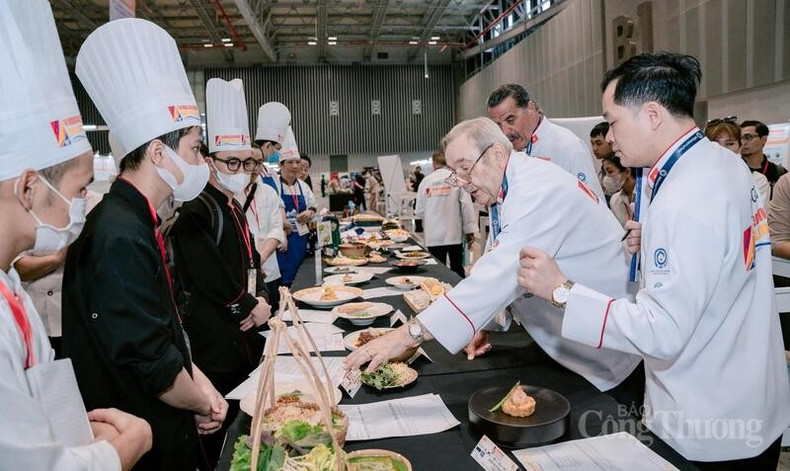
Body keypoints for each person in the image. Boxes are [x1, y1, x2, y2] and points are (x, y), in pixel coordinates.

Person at [517, 52, 790, 470]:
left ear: (652, 114)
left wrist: (562, 291)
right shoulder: (723, 163)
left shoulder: (683, 197)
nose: (609, 137)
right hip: (751, 396)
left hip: (709, 419)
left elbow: (661, 330)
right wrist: (663, 243)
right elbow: (730, 252)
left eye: (613, 121)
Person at [344, 117, 642, 404]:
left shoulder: (537, 190)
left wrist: (407, 336)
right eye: (454, 172)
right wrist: (483, 320)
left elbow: (498, 276)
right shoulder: (508, 188)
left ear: (498, 154)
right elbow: (499, 265)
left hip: (606, 353)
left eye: (464, 168)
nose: (461, 181)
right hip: (568, 346)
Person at [63, 19, 228, 471]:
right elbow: (150, 360)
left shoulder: (135, 220)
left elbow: (163, 330)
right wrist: (202, 403)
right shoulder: (118, 233)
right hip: (139, 432)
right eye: (194, 150)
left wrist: (201, 386)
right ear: (159, 153)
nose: (201, 162)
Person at [1, 3, 153, 469]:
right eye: (79, 187)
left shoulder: (10, 286)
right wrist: (124, 447)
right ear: (29, 187)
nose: (86, 201)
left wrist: (80, 433)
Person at [170, 78, 271, 467]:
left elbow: (251, 264)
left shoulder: (233, 205)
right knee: (222, 437)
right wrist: (247, 305)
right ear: (210, 162)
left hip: (245, 338)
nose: (242, 170)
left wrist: (263, 299)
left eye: (248, 162)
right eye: (233, 162)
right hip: (215, 345)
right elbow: (208, 274)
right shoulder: (198, 209)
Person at [14, 191, 102, 358]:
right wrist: (57, 259)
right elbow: (20, 268)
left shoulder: (95, 203)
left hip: (80, 318)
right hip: (37, 319)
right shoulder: (27, 206)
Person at [487, 83, 604, 200]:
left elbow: (595, 203)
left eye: (510, 120)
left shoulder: (568, 146)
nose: (505, 132)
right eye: (498, 125)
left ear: (531, 108)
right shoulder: (508, 152)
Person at [264, 127, 318, 286]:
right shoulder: (273, 186)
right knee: (281, 282)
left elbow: (313, 206)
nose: (295, 166)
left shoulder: (303, 186)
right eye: (290, 162)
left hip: (300, 241)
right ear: (281, 165)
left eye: (297, 162)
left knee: (299, 279)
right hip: (280, 243)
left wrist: (309, 212)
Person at [415, 150, 478, 278]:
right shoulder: (456, 179)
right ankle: (459, 295)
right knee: (457, 269)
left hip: (434, 236)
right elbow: (466, 206)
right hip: (454, 234)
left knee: (437, 272)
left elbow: (420, 211)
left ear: (433, 164)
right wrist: (470, 230)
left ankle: (439, 296)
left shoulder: (426, 181)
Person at [242, 144, 287, 311]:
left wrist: (259, 260)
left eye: (259, 163)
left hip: (269, 268)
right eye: (249, 162)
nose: (254, 168)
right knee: (251, 318)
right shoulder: (232, 193)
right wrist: (253, 265)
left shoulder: (269, 192)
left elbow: (277, 229)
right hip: (244, 273)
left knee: (273, 316)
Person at [705, 117, 770, 203]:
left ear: (740, 147)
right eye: (715, 144)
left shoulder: (756, 180)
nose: (722, 149)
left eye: (729, 144)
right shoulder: (694, 178)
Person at [741, 119, 787, 198]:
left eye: (748, 137)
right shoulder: (734, 171)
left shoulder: (779, 172)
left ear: (763, 139)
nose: (742, 142)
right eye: (739, 138)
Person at [601, 155, 635, 227]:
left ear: (627, 172)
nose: (606, 177)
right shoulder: (614, 200)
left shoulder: (645, 196)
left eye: (610, 171)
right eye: (605, 172)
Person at [590, 122, 616, 203]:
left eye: (599, 143)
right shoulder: (603, 168)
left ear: (611, 141)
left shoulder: (624, 165)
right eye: (592, 144)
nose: (594, 148)